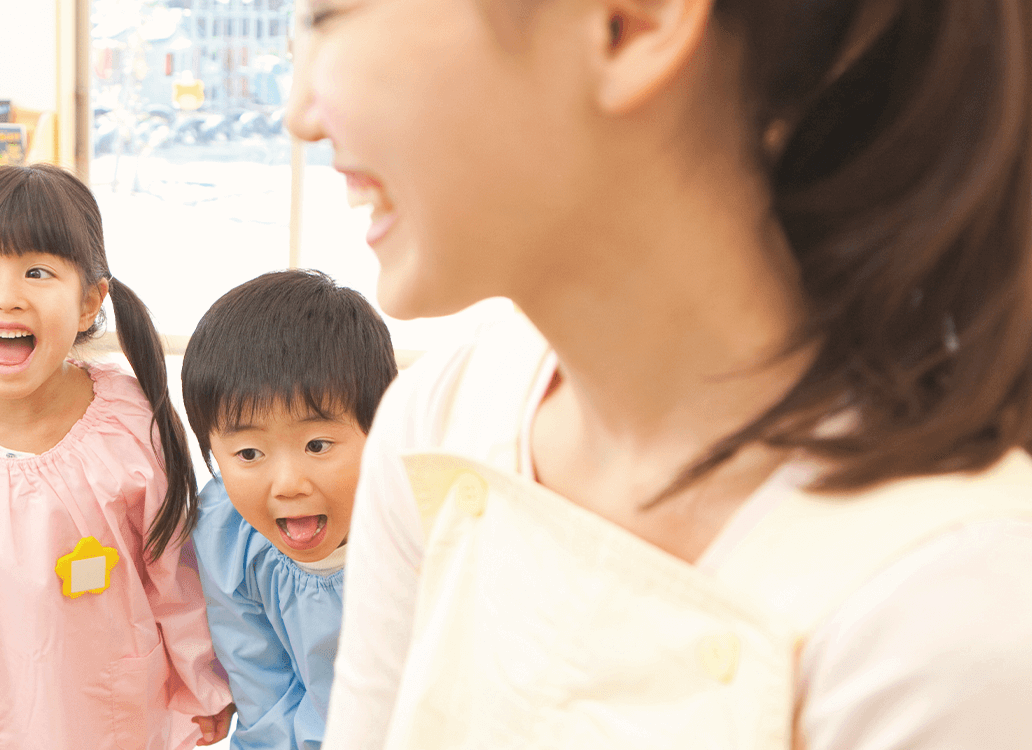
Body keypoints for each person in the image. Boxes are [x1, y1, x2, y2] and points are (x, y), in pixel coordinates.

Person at [290, 0, 1032, 747]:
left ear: (628, 22)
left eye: (328, 15)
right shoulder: (439, 418)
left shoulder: (955, 609)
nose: (299, 115)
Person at [0, 164, 233, 749]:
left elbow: (178, 575)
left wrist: (203, 684)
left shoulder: (133, 424)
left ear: (90, 303)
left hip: (122, 718)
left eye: (37, 272)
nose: (6, 297)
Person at [181, 270, 395, 750]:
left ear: (382, 423)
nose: (288, 485)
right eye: (249, 455)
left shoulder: (423, 528)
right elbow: (264, 697)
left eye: (318, 444)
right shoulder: (226, 534)